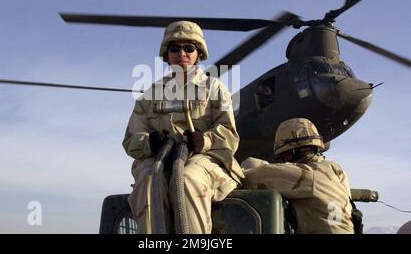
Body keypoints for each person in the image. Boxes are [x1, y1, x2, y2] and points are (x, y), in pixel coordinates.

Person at [122, 21, 244, 234]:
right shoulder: (150, 94)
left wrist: (205, 141)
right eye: (175, 48)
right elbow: (131, 140)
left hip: (204, 158)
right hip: (158, 158)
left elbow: (229, 135)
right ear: (166, 54)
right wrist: (149, 142)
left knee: (188, 180)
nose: (182, 53)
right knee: (150, 182)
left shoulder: (214, 88)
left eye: (189, 48)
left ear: (198, 54)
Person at [241, 118, 354, 234]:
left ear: (291, 153)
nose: (285, 161)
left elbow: (254, 177)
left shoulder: (307, 175)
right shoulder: (335, 170)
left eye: (284, 156)